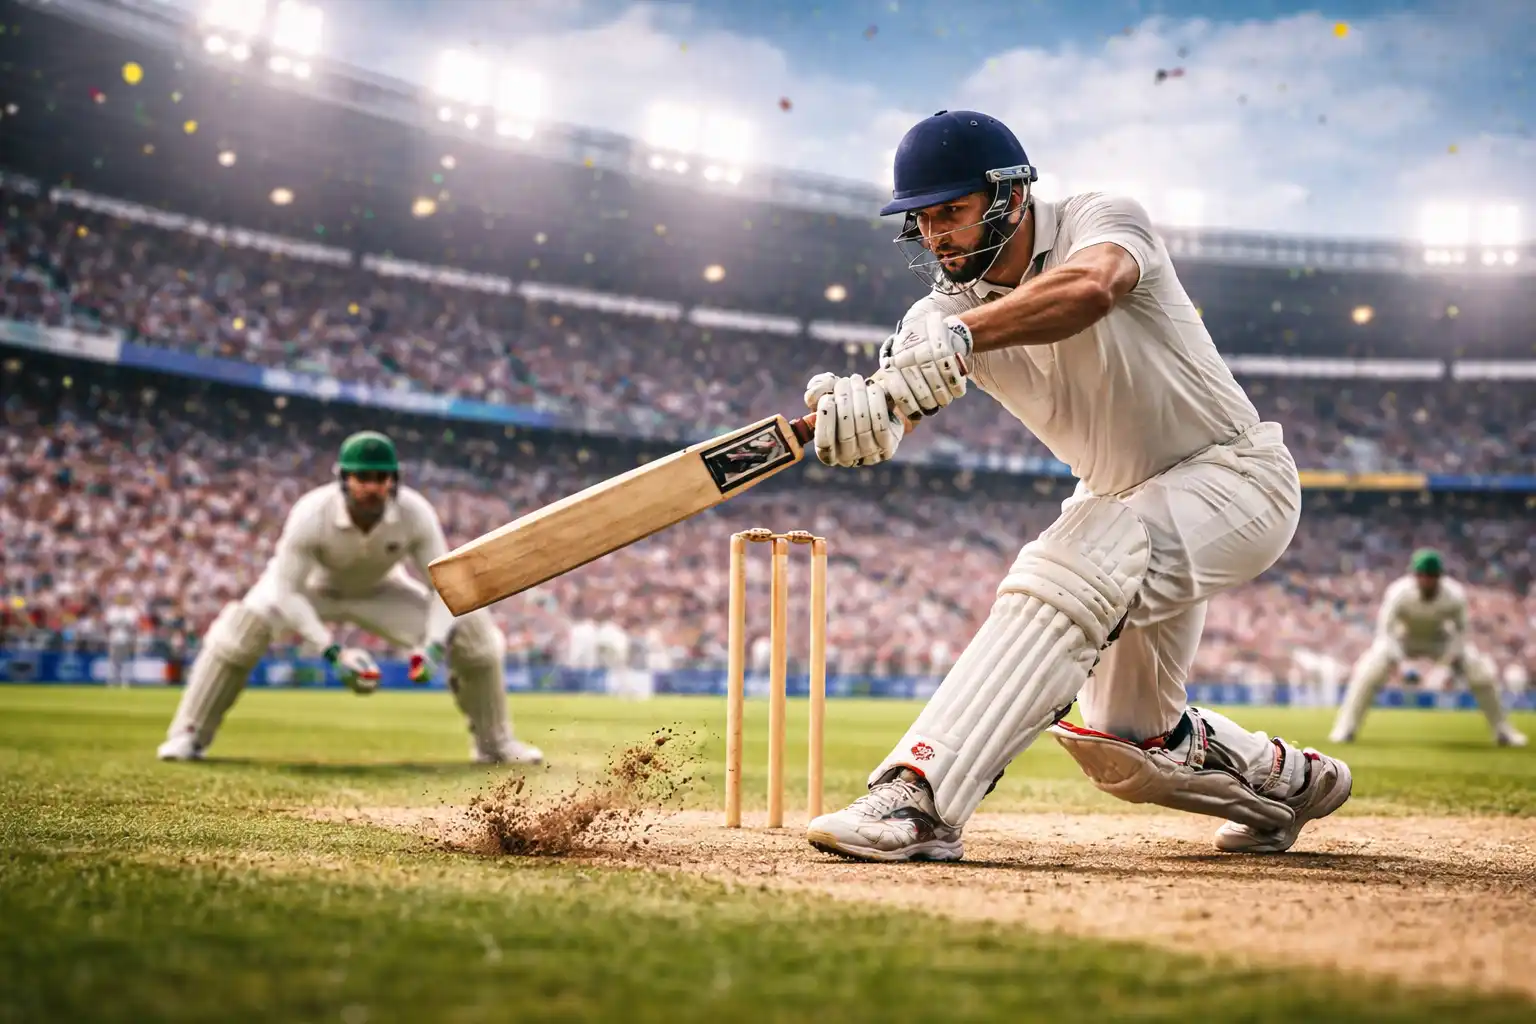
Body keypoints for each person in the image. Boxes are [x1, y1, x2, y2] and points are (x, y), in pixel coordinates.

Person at [800, 110, 1351, 862]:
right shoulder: (933, 315)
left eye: (952, 213)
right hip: (1122, 501)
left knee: (1079, 549)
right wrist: (861, 418)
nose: (936, 237)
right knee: (1125, 746)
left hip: (1238, 478)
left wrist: (965, 337)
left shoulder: (1102, 220)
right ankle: (1286, 785)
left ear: (1011, 196)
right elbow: (899, 411)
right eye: (923, 222)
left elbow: (1092, 288)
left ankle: (917, 798)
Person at [157, 431, 543, 764]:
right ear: (343, 479)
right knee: (242, 630)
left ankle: (495, 744)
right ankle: (189, 733)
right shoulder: (311, 513)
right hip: (308, 591)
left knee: (473, 629)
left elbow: (444, 588)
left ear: (394, 480)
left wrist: (432, 648)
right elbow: (287, 592)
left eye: (382, 478)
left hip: (378, 591)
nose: (373, 487)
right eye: (363, 477)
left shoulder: (414, 513)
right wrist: (332, 654)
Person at [1330, 549, 1527, 747]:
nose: (1425, 580)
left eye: (1430, 576)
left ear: (1439, 576)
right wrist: (1403, 664)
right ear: (1414, 575)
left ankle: (1503, 731)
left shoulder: (1454, 595)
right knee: (1367, 671)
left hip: (1439, 641)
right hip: (1403, 641)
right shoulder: (1399, 592)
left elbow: (1460, 634)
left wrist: (1443, 667)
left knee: (1482, 673)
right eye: (1421, 575)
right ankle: (1346, 728)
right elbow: (1386, 633)